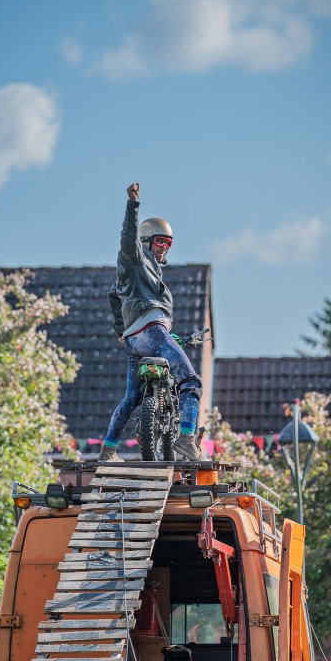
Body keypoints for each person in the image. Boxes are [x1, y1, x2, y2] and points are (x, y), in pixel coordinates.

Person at [100, 182, 204, 463]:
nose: (164, 247)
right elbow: (128, 239)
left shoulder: (143, 276)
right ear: (145, 242)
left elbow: (113, 295)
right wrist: (133, 204)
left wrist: (122, 330)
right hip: (152, 333)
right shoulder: (135, 261)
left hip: (138, 341)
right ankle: (186, 439)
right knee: (191, 381)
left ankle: (108, 449)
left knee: (132, 396)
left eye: (168, 243)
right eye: (160, 241)